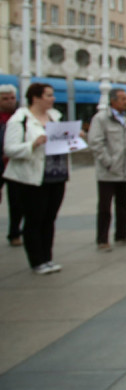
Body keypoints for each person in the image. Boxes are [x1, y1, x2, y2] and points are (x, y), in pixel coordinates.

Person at [3, 83, 68, 273]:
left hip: (57, 174)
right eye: (48, 95)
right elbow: (9, 149)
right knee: (34, 219)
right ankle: (37, 261)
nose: (52, 98)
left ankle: (48, 258)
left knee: (49, 218)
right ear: (36, 98)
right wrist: (32, 144)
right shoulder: (21, 119)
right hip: (31, 177)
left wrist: (73, 138)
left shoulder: (56, 117)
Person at [87, 88, 126, 251]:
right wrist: (108, 162)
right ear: (113, 101)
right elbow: (95, 142)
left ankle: (122, 234)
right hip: (108, 171)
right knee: (105, 207)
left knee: (123, 204)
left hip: (124, 169)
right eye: (123, 99)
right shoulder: (101, 119)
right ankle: (102, 239)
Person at [1, 84, 23, 246]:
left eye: (12, 98)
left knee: (16, 201)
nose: (10, 101)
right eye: (5, 99)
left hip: (14, 163)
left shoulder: (21, 117)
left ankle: (14, 233)